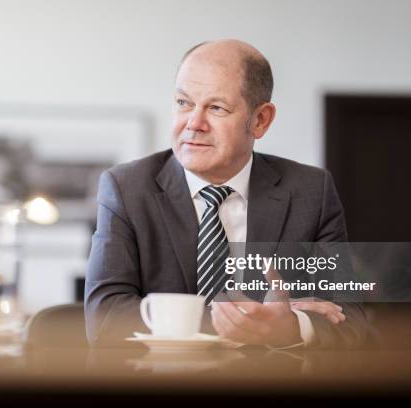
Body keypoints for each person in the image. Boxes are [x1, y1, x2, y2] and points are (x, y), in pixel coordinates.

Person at [84, 39, 367, 348]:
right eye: (184, 103)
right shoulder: (127, 188)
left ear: (260, 120)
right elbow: (104, 317)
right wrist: (255, 323)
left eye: (216, 108)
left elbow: (350, 320)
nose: (193, 123)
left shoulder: (311, 192)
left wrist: (292, 326)